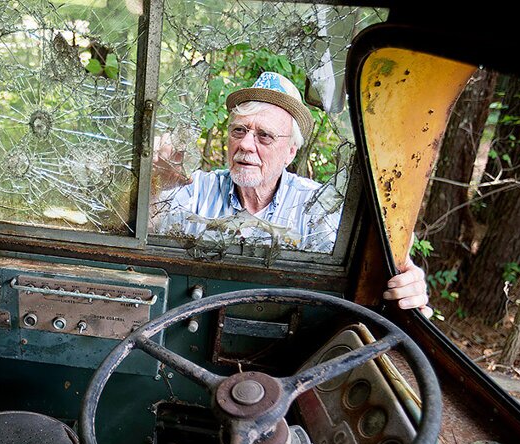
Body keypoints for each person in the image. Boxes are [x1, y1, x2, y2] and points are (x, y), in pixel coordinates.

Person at [153, 71, 431, 316]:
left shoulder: (317, 207)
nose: (246, 144)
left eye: (264, 136)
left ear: (290, 152)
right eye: (239, 130)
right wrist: (154, 183)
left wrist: (406, 281)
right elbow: (136, 229)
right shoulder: (196, 189)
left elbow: (376, 261)